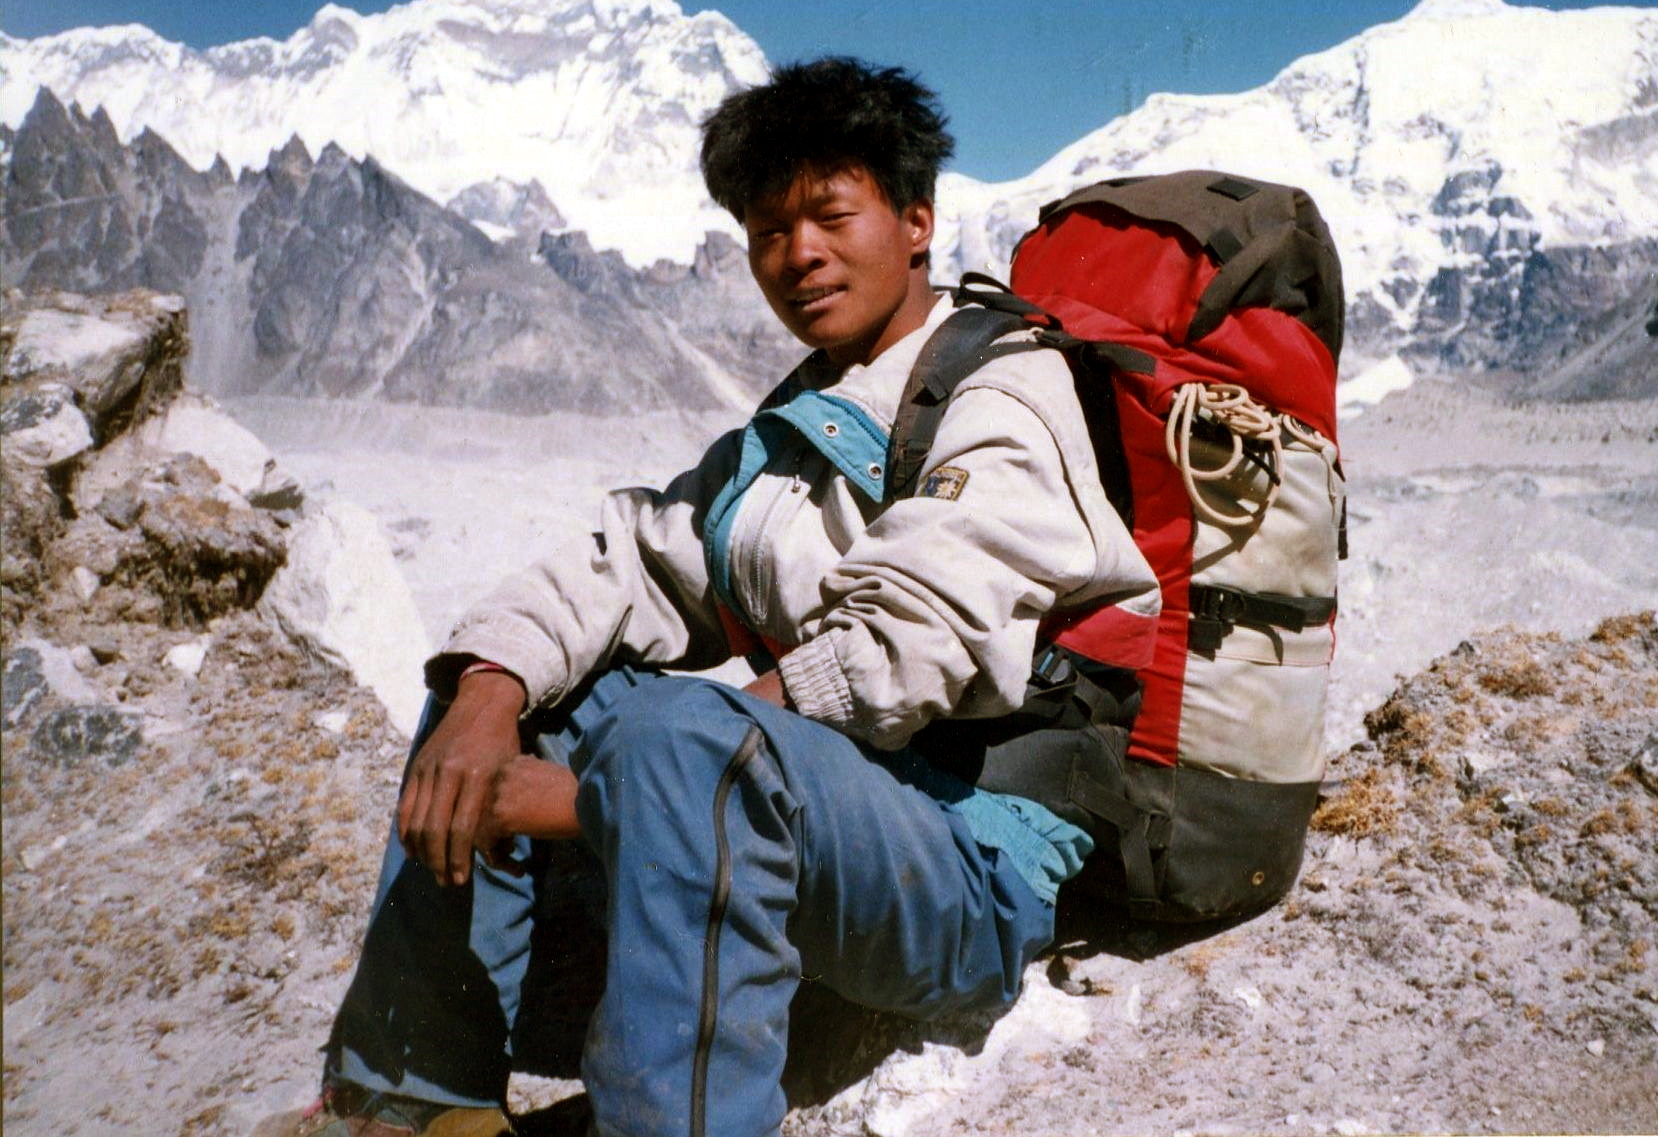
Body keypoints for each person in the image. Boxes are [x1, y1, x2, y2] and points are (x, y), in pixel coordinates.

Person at [278, 57, 1158, 1137]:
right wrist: (488, 684)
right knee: (514, 692)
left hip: (970, 869)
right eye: (767, 230)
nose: (800, 255)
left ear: (917, 220)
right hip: (836, 828)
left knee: (683, 737)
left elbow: (912, 636)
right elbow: (634, 557)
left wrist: (607, 796)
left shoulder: (1004, 388)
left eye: (831, 214)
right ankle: (413, 1103)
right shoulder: (802, 421)